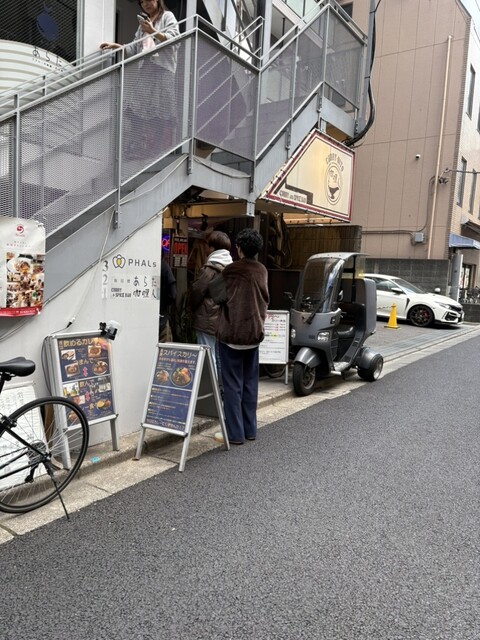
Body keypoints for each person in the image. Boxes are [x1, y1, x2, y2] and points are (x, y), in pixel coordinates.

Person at [100, 0, 180, 155]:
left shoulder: (167, 16)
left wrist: (152, 31)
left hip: (162, 70)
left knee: (160, 111)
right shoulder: (143, 24)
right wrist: (117, 46)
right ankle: (138, 144)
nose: (145, 4)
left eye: (148, 0)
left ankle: (155, 149)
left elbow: (175, 40)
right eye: (142, 2)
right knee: (134, 108)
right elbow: (135, 47)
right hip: (146, 69)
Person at [212, 229, 269, 445]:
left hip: (232, 335)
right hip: (253, 334)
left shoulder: (232, 270)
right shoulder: (262, 270)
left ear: (239, 248)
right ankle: (250, 430)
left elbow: (215, 294)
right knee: (250, 384)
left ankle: (234, 434)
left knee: (232, 386)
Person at [190, 231, 232, 376]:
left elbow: (197, 292)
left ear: (212, 248)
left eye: (207, 245)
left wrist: (192, 308)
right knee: (221, 356)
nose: (206, 248)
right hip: (226, 319)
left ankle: (211, 388)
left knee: (208, 356)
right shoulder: (233, 269)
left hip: (207, 318)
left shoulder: (209, 269)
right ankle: (222, 387)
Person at [159, 259, 176, 342]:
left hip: (136, 319)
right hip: (161, 317)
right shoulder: (163, 266)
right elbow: (172, 294)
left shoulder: (134, 263)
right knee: (164, 347)